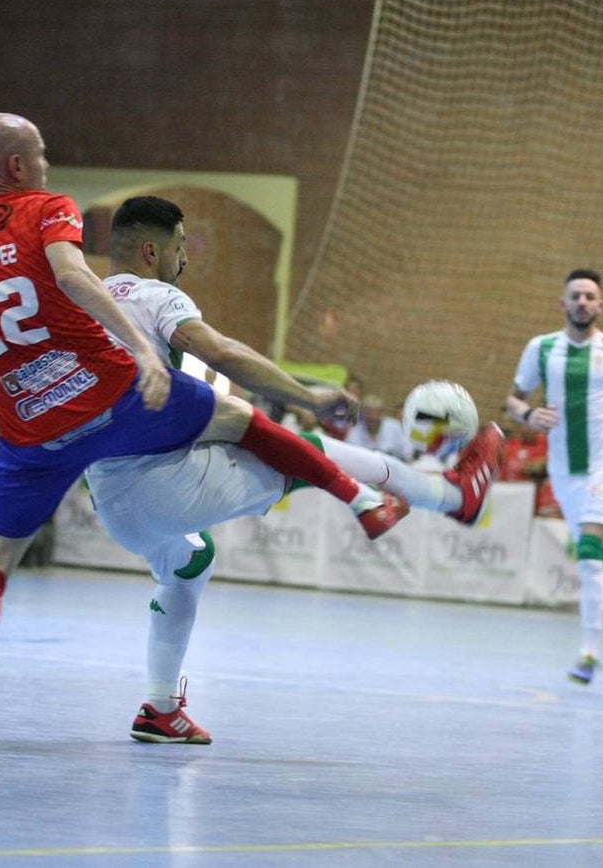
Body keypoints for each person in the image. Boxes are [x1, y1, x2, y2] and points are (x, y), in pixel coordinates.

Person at [0, 114, 407, 739]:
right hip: (107, 391)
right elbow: (72, 276)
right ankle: (360, 499)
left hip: (31, 424)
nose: (48, 165)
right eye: (42, 154)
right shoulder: (48, 208)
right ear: (18, 166)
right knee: (239, 417)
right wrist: (140, 349)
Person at [81, 196, 505, 743]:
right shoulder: (157, 296)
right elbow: (220, 351)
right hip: (161, 485)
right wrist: (307, 395)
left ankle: (160, 709)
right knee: (304, 448)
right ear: (151, 251)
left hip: (109, 494)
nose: (183, 259)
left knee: (190, 559)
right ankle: (452, 495)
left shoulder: (85, 301)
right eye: (180, 246)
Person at [506, 268, 603, 686]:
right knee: (594, 550)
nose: (582, 302)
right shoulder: (541, 348)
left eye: (589, 296)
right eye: (575, 296)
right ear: (562, 304)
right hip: (563, 466)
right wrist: (528, 414)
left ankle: (589, 654)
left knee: (590, 553)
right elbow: (514, 400)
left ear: (601, 306)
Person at [344, 394, 413, 459]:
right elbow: (349, 455)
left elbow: (408, 453)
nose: (373, 416)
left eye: (378, 412)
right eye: (369, 412)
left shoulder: (395, 427)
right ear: (363, 413)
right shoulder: (355, 430)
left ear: (383, 412)